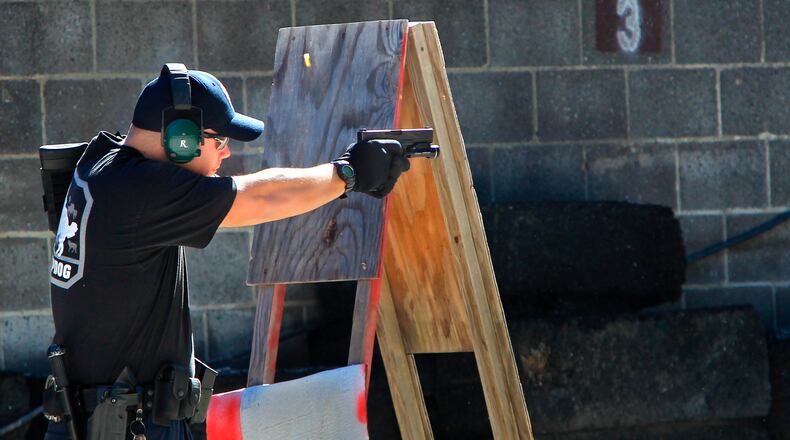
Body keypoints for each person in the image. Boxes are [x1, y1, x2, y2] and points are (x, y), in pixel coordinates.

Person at [44, 64, 410, 440]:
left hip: (106, 420)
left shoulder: (101, 164)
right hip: (127, 426)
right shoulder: (140, 192)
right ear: (181, 139)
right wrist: (348, 174)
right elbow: (263, 196)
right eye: (218, 142)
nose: (225, 154)